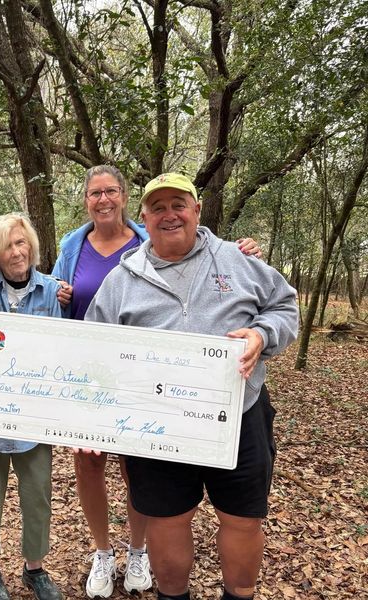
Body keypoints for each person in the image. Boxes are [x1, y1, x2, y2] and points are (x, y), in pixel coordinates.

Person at [51, 165, 262, 599]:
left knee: (241, 516)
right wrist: (85, 416)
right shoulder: (114, 271)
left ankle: (222, 587)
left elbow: (281, 306)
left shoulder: (233, 260)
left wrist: (263, 335)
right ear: (146, 217)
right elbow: (89, 342)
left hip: (235, 411)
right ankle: (148, 577)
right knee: (167, 515)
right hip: (151, 414)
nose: (169, 214)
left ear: (196, 209)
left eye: (178, 205)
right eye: (159, 207)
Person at [0, 213, 63, 600]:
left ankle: (35, 568)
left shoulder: (50, 291)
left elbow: (60, 349)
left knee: (37, 494)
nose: (16, 252)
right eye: (7, 246)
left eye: (21, 243)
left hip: (33, 416)